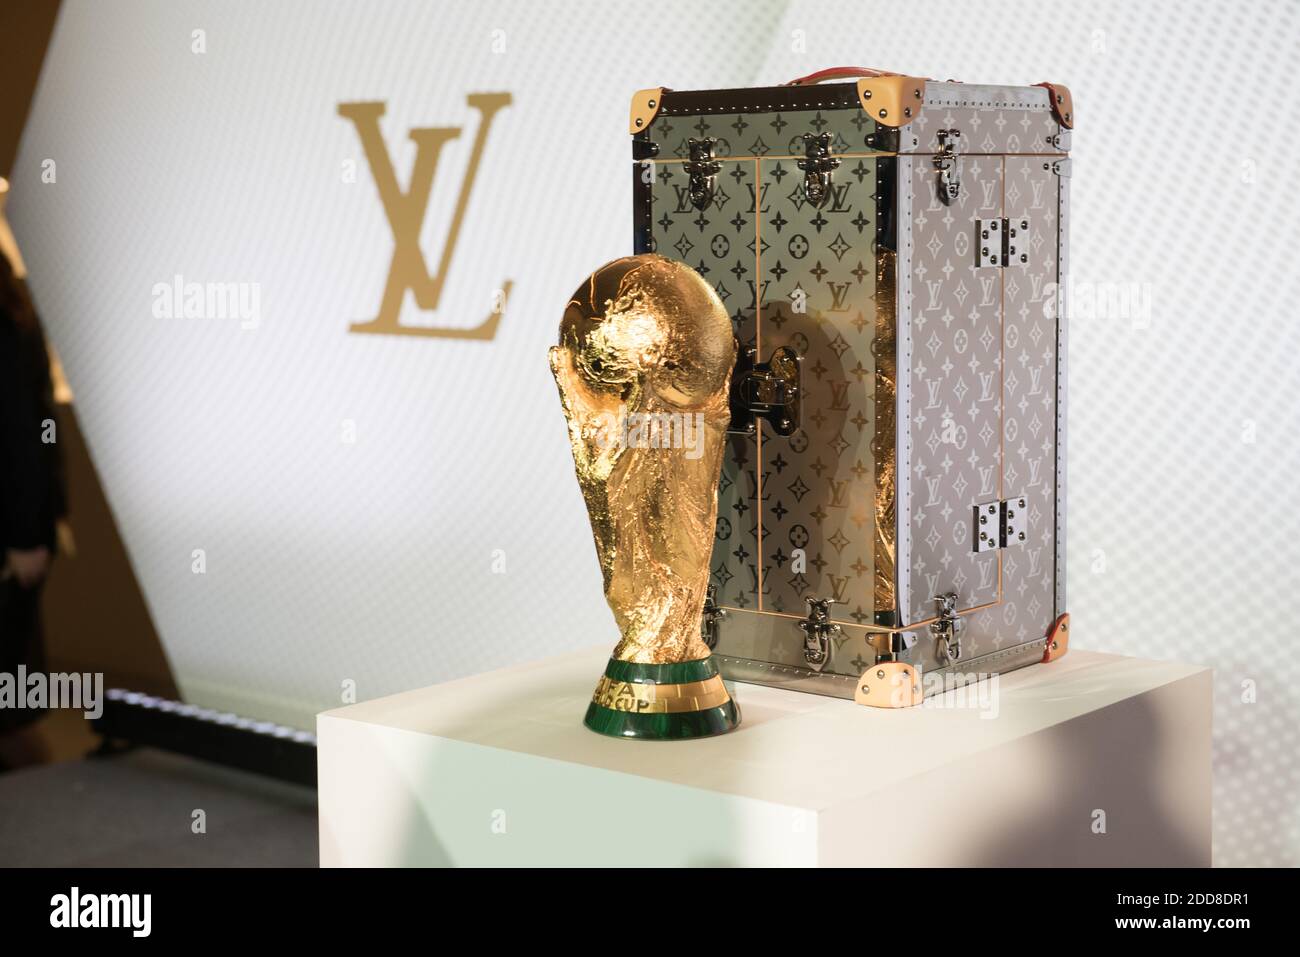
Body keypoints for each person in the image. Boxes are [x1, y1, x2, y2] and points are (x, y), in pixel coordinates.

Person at [0, 251, 66, 770]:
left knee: (11, 713)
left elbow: (25, 431)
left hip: (12, 544)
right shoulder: (14, 309)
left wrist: (25, 537)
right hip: (20, 533)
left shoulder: (7, 321)